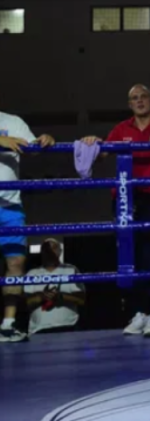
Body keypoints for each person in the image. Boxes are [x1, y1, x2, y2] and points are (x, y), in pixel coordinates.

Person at [81, 84, 150, 338]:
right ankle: (138, 313)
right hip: (124, 199)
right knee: (129, 258)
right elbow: (102, 154)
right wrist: (92, 142)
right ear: (129, 104)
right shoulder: (122, 128)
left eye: (143, 96)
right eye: (134, 98)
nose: (139, 101)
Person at [0, 113, 54, 342]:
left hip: (10, 205)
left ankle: (8, 324)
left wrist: (44, 140)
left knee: (16, 263)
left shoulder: (12, 122)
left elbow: (32, 147)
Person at [24, 238, 85, 335]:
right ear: (41, 252)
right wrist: (42, 297)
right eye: (47, 249)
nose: (50, 251)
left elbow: (82, 300)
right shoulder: (32, 273)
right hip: (38, 330)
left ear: (60, 251)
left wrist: (61, 297)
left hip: (69, 327)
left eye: (54, 248)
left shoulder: (70, 269)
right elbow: (24, 304)